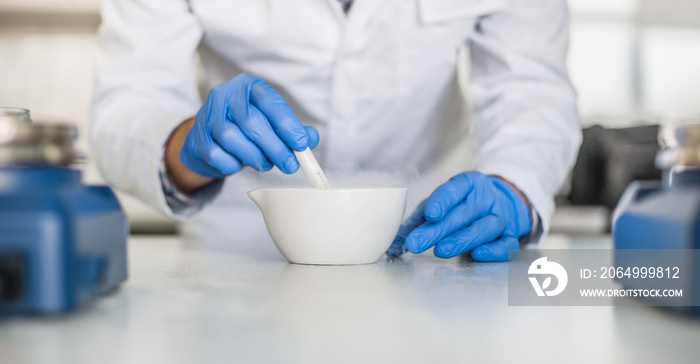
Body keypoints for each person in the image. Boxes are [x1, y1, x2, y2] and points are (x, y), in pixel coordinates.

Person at [89, 0, 581, 261]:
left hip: (430, 229)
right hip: (243, 245)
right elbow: (130, 98)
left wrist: (514, 185)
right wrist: (188, 149)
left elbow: (531, 89)